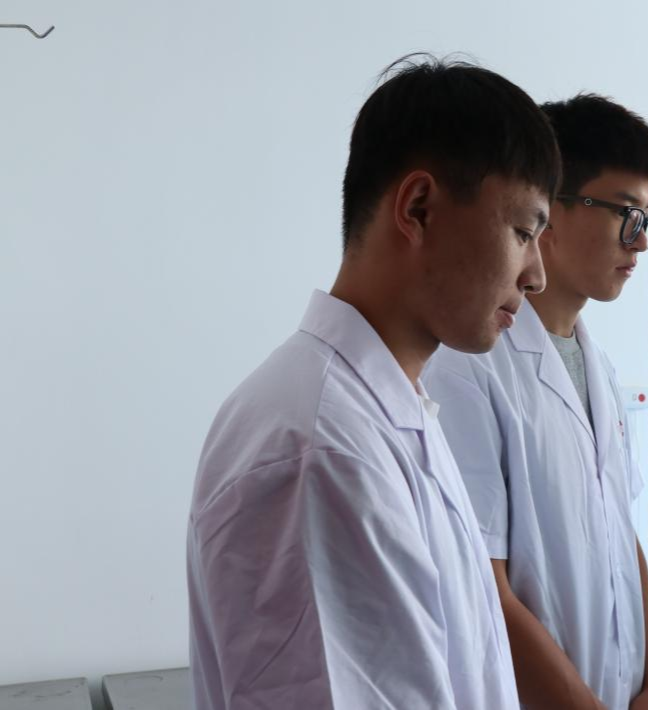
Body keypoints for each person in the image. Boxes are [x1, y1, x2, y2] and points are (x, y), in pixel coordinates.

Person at [186, 56, 560, 709]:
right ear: (418, 208)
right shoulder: (323, 448)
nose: (536, 276)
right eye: (524, 231)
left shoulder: (385, 410)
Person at [423, 93, 648, 709]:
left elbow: (622, 533)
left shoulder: (600, 368)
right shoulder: (467, 366)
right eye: (626, 214)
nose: (640, 243)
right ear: (549, 208)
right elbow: (482, 582)